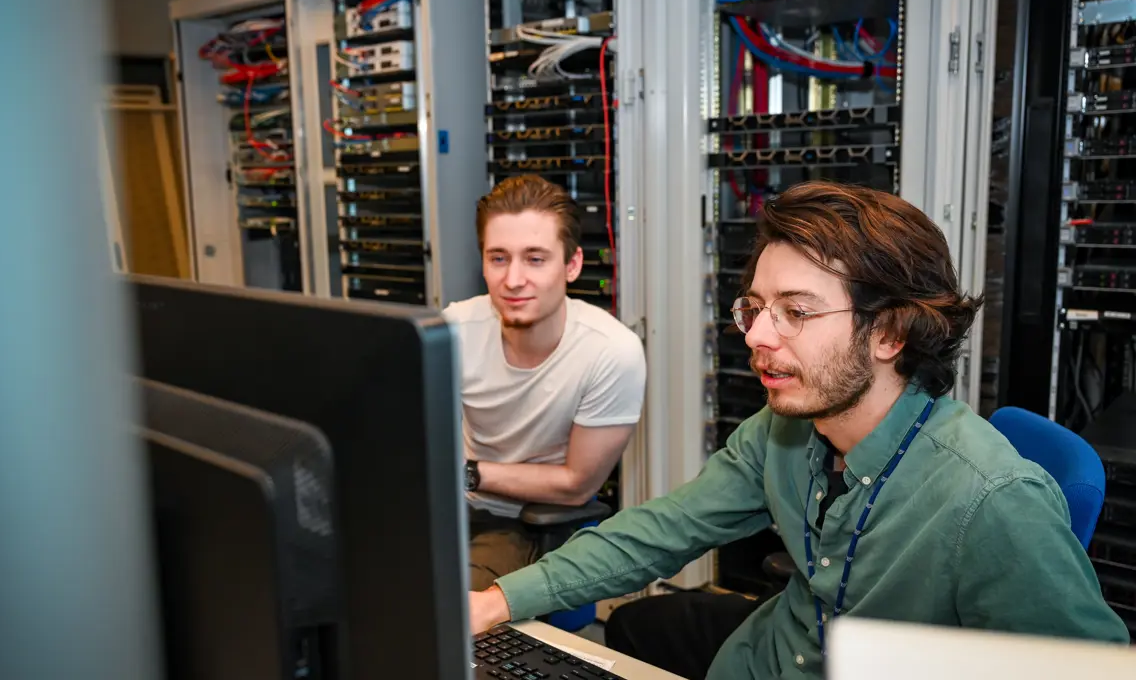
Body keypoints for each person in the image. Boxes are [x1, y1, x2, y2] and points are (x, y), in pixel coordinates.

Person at [468, 181, 1129, 679]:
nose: (756, 336)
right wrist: (498, 602)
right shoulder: (782, 432)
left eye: (795, 312)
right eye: (754, 308)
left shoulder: (991, 502)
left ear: (891, 332)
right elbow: (665, 529)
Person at [444, 174, 646, 592]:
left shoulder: (611, 352)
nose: (513, 279)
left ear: (572, 265)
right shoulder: (454, 328)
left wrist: (466, 473)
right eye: (498, 258)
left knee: (450, 613)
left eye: (535, 259)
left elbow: (576, 486)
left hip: (523, 522)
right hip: (446, 508)